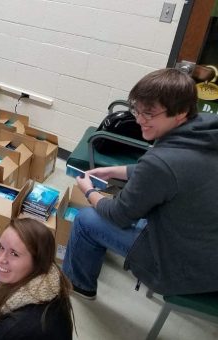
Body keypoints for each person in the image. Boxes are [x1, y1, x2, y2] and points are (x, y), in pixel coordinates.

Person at [62, 68, 218, 299]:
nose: (138, 120)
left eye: (149, 114)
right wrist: (117, 171)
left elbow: (118, 215)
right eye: (136, 110)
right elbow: (173, 173)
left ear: (181, 112)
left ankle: (78, 284)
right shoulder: (206, 126)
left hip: (184, 266)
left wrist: (90, 191)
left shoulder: (160, 162)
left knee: (86, 220)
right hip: (206, 246)